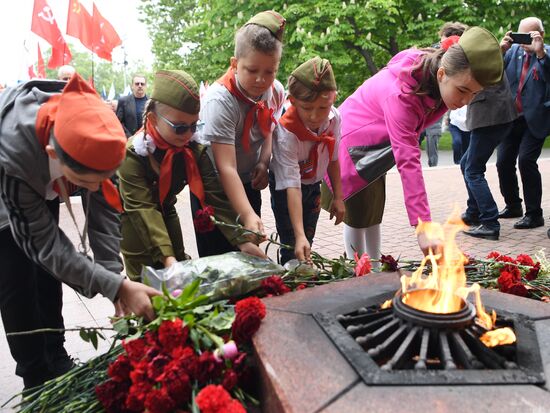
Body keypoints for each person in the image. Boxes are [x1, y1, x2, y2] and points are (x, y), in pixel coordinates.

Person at [0, 74, 160, 389]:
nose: (92, 190)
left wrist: (116, 284)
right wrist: (114, 287)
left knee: (48, 276)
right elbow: (44, 245)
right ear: (53, 156)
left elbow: (104, 216)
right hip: (8, 187)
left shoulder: (101, 134)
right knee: (17, 277)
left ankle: (56, 355)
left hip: (43, 167)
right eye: (83, 184)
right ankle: (34, 375)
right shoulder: (16, 155)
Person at [322, 27, 504, 258]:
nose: (466, 101)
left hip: (375, 154)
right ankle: (356, 271)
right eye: (463, 90)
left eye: (474, 94)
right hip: (351, 149)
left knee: (372, 215)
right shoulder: (402, 96)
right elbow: (409, 161)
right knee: (357, 218)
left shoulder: (437, 79)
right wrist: (423, 225)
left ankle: (375, 269)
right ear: (441, 75)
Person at [117, 70, 265, 279]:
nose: (188, 134)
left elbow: (215, 196)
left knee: (179, 264)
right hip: (132, 217)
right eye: (179, 127)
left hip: (166, 209)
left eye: (194, 125)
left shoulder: (193, 148)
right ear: (153, 118)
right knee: (146, 278)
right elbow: (143, 208)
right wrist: (169, 263)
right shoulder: (133, 154)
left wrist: (242, 240)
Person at [199, 11, 286, 242]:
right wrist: (246, 213)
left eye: (270, 71)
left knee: (250, 250)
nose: (261, 80)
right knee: (219, 258)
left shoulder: (275, 90)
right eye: (252, 70)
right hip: (215, 189)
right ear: (235, 64)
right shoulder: (220, 101)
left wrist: (263, 162)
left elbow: (269, 128)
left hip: (246, 181)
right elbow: (225, 166)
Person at [269, 57, 344, 264]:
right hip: (286, 189)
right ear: (292, 101)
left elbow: (334, 158)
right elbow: (291, 185)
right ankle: (290, 277)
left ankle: (303, 268)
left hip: (313, 186)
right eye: (307, 107)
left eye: (322, 107)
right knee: (291, 242)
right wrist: (298, 235)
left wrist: (338, 196)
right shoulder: (286, 133)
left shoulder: (334, 118)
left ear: (333, 98)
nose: (314, 116)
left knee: (308, 236)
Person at [497, 17, 550, 229]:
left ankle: (534, 214)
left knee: (526, 161)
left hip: (535, 119)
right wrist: (500, 51)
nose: (523, 41)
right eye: (520, 35)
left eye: (527, 36)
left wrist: (540, 53)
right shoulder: (513, 53)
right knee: (503, 162)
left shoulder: (545, 53)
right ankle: (513, 205)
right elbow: (494, 72)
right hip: (512, 118)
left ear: (540, 35)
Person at [460, 76, 517, 240]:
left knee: (473, 171)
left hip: (489, 116)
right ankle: (474, 212)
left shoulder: (476, 51)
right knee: (466, 164)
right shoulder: (489, 50)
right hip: (496, 114)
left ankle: (490, 223)